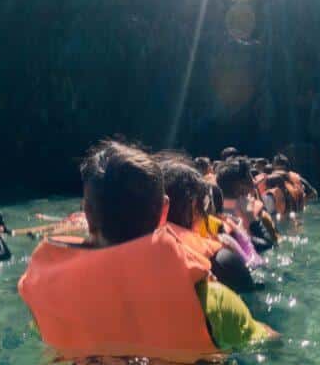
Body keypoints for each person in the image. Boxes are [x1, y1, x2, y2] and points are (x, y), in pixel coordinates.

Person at [19, 141, 276, 354]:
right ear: (164, 210)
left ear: (86, 212)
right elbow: (272, 344)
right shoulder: (214, 303)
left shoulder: (50, 300)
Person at [159, 156, 258, 292]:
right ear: (194, 205)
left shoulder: (135, 253)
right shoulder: (222, 260)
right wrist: (252, 221)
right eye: (205, 202)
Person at [215, 157, 278, 251]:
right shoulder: (259, 214)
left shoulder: (213, 216)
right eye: (250, 178)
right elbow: (271, 246)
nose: (254, 181)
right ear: (241, 187)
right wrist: (252, 219)